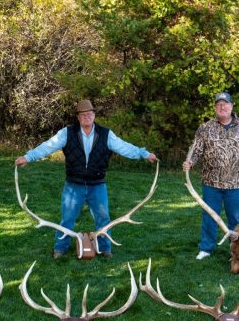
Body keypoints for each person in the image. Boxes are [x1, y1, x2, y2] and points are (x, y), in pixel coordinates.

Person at [15, 99, 157, 258]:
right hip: (73, 185)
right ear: (78, 117)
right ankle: (60, 249)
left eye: (89, 114)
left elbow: (125, 148)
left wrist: (144, 154)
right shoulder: (66, 133)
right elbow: (47, 146)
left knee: (103, 219)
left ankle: (105, 249)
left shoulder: (106, 134)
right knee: (67, 219)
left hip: (97, 185)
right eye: (83, 115)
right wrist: (28, 157)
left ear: (94, 115)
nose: (86, 117)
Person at [183, 92, 239, 260]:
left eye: (225, 104)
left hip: (236, 183)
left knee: (236, 219)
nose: (222, 107)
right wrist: (190, 162)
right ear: (215, 108)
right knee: (209, 215)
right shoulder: (205, 128)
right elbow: (197, 149)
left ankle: (236, 251)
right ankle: (206, 248)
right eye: (219, 104)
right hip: (211, 182)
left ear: (232, 106)